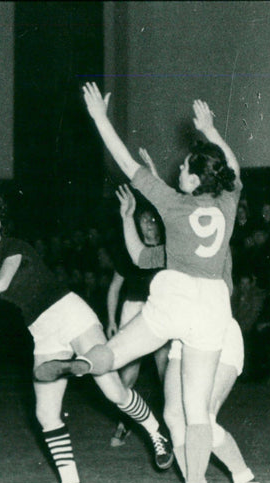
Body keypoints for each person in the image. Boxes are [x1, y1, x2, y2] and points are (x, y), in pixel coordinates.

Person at [61, 82, 242, 483]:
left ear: (194, 180)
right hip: (212, 304)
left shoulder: (173, 205)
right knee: (196, 412)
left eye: (183, 168)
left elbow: (124, 163)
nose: (177, 170)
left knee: (120, 350)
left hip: (176, 295)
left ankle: (92, 359)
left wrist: (100, 119)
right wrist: (213, 132)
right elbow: (233, 169)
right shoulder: (228, 200)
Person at [0, 193, 173, 483]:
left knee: (114, 391)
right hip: (42, 330)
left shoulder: (12, 246)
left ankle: (156, 433)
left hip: (69, 313)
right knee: (45, 413)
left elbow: (3, 284)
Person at [117, 181, 261, 483]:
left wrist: (155, 181)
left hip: (218, 333)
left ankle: (244, 477)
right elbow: (140, 256)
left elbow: (184, 205)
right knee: (172, 414)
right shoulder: (175, 251)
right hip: (185, 337)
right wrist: (128, 217)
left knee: (203, 418)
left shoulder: (213, 245)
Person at [105, 148, 170, 448]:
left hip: (161, 311)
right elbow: (114, 288)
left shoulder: (168, 250)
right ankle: (125, 422)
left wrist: (154, 174)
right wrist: (111, 321)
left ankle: (170, 428)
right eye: (143, 221)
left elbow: (171, 206)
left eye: (151, 221)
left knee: (165, 370)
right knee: (127, 375)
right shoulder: (130, 252)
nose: (148, 225)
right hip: (133, 311)